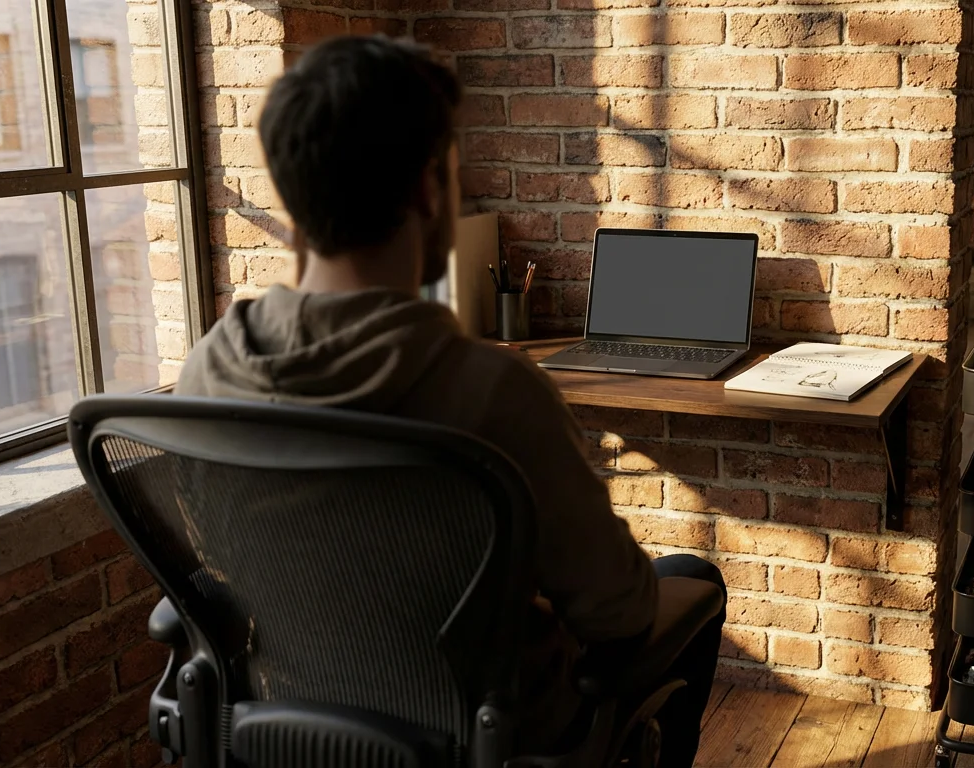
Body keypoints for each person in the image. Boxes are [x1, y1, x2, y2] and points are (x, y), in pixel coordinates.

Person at [174, 35, 724, 766]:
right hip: (489, 740)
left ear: (291, 188)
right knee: (693, 578)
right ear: (432, 190)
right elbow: (617, 614)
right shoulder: (493, 393)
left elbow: (222, 570)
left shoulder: (206, 372)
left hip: (288, 725)